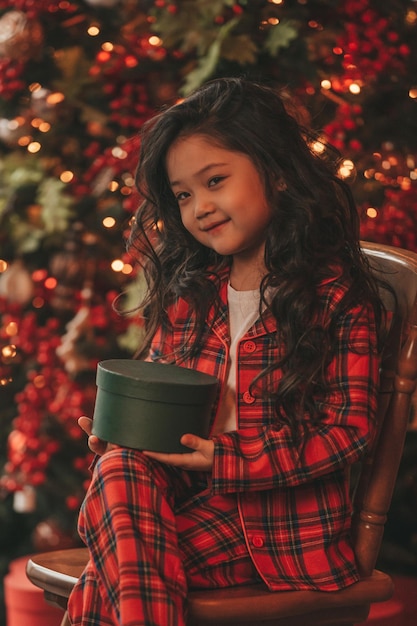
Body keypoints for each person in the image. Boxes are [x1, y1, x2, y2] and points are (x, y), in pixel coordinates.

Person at [67, 77, 385, 626]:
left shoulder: (333, 295)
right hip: (188, 499)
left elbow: (348, 433)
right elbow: (169, 404)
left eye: (215, 181)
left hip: (275, 527)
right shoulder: (195, 292)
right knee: (118, 467)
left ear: (278, 173)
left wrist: (229, 459)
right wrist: (129, 429)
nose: (200, 207)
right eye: (185, 194)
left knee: (111, 572)